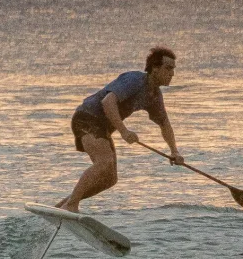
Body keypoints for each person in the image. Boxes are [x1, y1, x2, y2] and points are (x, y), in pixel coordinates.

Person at [55, 47, 183, 212]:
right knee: (104, 162)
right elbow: (108, 102)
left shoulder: (154, 95)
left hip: (102, 127)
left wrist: (174, 151)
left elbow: (165, 124)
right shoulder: (134, 80)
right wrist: (123, 131)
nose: (172, 73)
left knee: (110, 179)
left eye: (173, 69)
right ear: (154, 68)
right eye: (168, 68)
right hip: (87, 118)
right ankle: (72, 205)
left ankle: (63, 206)